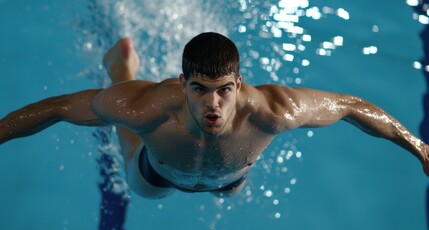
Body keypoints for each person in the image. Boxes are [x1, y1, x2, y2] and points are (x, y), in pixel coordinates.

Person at [0, 32, 428, 199]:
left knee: (229, 191)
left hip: (230, 178)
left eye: (224, 90)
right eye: (200, 90)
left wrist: (420, 147)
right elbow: (56, 107)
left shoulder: (274, 112)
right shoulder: (147, 107)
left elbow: (352, 106)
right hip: (159, 173)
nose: (213, 105)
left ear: (239, 83)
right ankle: (122, 66)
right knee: (133, 148)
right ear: (182, 82)